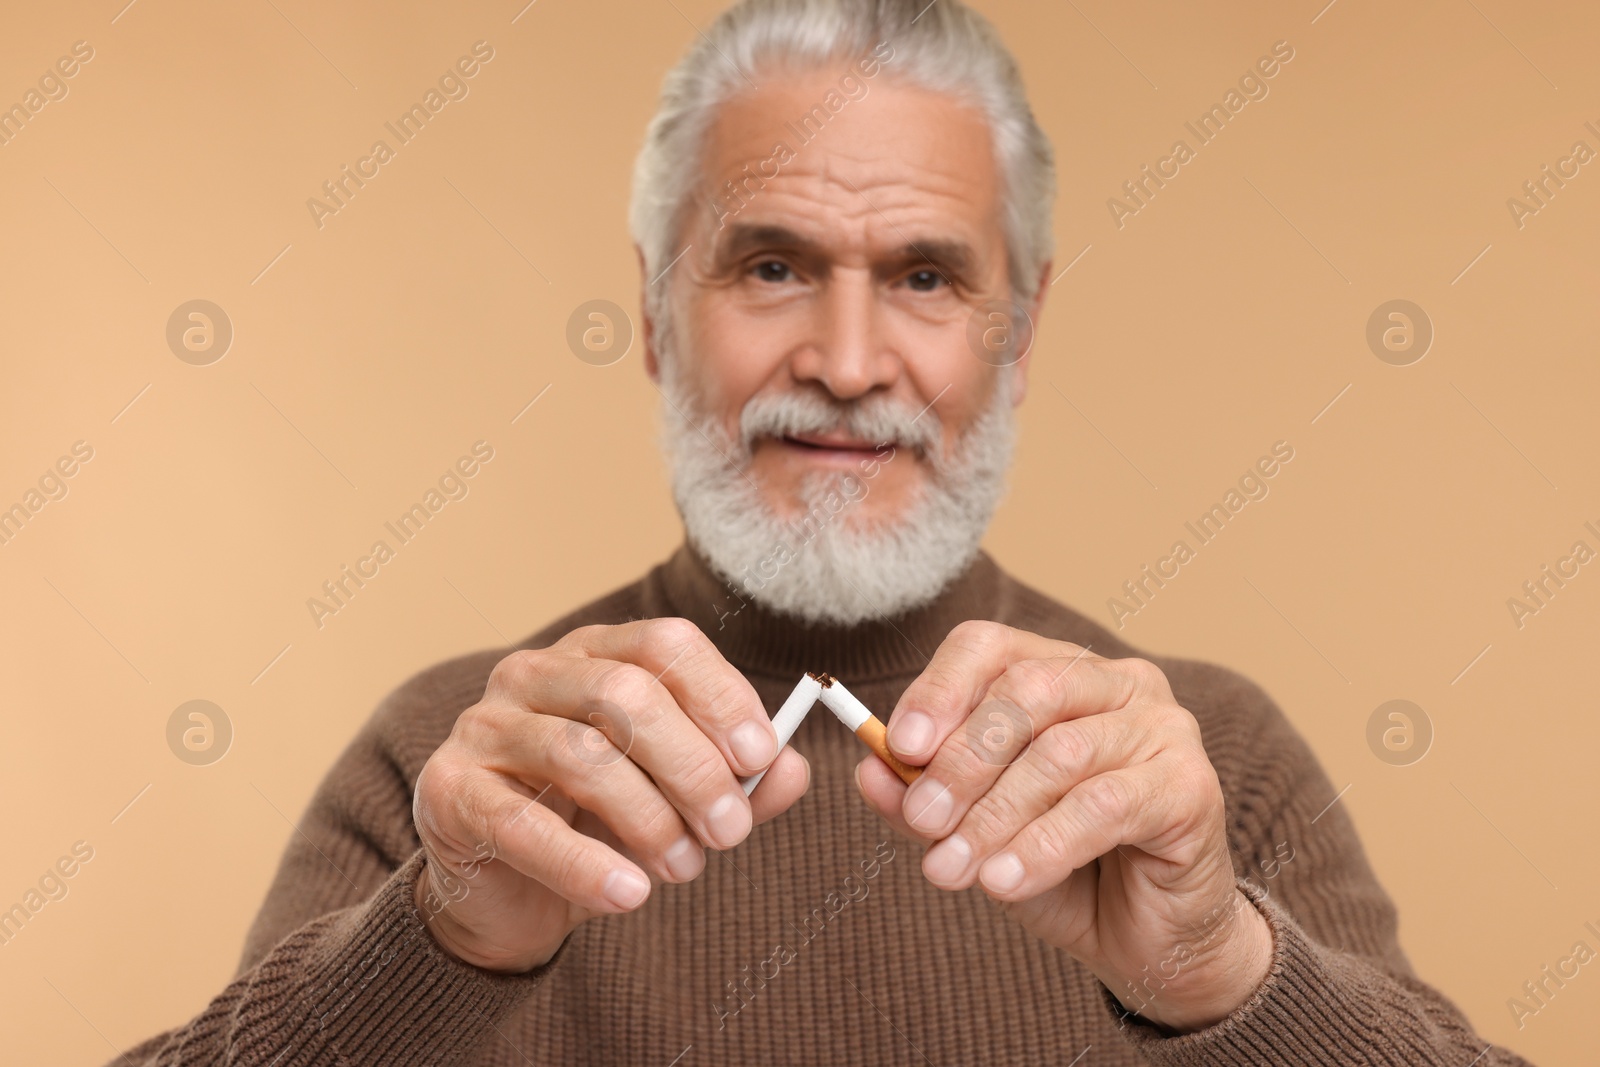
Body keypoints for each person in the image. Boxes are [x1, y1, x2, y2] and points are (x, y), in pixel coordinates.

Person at [113, 1, 1532, 1063]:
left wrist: (1230, 973)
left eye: (924, 275)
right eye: (773, 264)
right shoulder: (458, 764)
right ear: (660, 317)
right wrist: (437, 945)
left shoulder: (1211, 772)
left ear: (1017, 336)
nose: (848, 361)